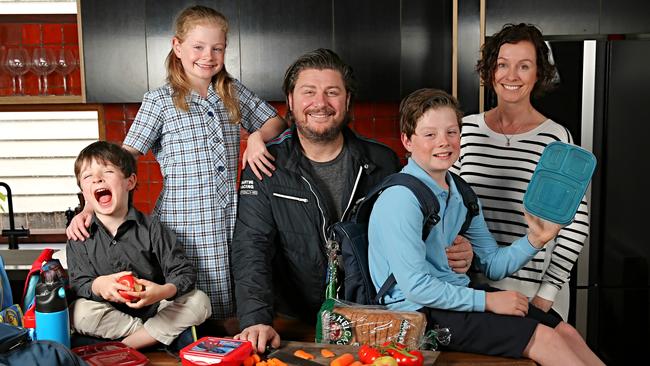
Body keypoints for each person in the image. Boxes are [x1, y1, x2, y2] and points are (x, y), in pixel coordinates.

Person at [230, 49, 474, 353]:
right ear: (291, 101)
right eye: (309, 92)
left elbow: (421, 228)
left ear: (347, 101)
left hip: (374, 317)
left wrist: (459, 247)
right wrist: (255, 319)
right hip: (294, 320)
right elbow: (251, 246)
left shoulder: (384, 161)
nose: (320, 103)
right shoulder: (266, 164)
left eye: (332, 92)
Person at [66, 5, 287, 320]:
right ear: (177, 46)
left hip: (229, 219)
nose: (208, 55)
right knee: (190, 301)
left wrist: (254, 138)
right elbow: (124, 157)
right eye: (198, 47)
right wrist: (89, 206)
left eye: (217, 48)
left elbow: (275, 124)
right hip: (182, 226)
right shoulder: (159, 100)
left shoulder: (232, 92)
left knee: (236, 299)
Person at [369, 88, 603, 365]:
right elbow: (416, 287)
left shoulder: (460, 193)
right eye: (430, 134)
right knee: (546, 339)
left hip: (456, 298)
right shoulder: (401, 198)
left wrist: (535, 239)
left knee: (564, 331)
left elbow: (492, 264)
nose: (443, 143)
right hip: (418, 314)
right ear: (407, 141)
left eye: (452, 132)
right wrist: (489, 302)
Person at [450, 23, 589, 320]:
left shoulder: (555, 138)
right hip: (474, 288)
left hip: (532, 292)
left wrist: (547, 294)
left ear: (538, 73)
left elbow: (575, 225)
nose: (511, 76)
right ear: (490, 71)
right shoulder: (466, 130)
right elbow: (445, 203)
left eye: (524, 66)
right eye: (502, 65)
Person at [67, 141, 211, 350]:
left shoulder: (152, 228)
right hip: (112, 316)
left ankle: (127, 345)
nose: (97, 178)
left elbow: (184, 274)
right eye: (88, 176)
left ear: (130, 182)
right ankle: (154, 336)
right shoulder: (78, 234)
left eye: (107, 171)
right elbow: (79, 283)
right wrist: (100, 285)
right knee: (77, 312)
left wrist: (161, 292)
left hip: (157, 308)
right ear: (84, 190)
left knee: (200, 301)